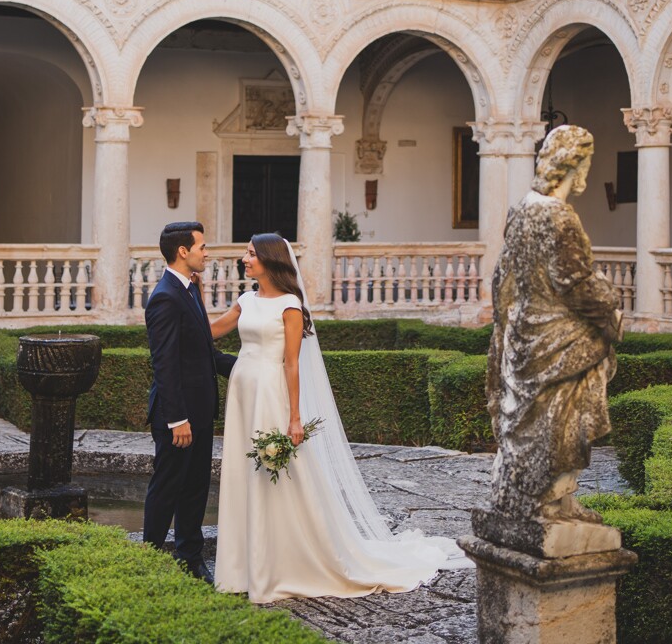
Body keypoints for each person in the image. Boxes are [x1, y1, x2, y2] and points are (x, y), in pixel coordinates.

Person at [211, 232, 468, 603]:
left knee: (281, 474)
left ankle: (285, 562)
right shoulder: (246, 300)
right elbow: (213, 330)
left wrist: (295, 418)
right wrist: (172, 319)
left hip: (271, 393)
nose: (244, 259)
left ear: (269, 260)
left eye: (250, 254)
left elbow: (291, 364)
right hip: (242, 392)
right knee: (244, 471)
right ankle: (241, 567)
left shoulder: (289, 305)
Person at [484, 124, 622, 527]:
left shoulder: (522, 209)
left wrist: (505, 329)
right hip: (559, 339)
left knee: (537, 419)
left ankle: (551, 498)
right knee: (564, 417)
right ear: (574, 165)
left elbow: (502, 278)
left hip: (527, 334)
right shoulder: (559, 217)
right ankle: (550, 499)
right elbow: (576, 283)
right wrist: (610, 309)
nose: (587, 173)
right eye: (587, 164)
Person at [142, 221, 236, 584]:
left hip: (200, 412)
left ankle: (190, 558)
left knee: (196, 485)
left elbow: (204, 353)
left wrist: (249, 368)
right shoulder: (164, 296)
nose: (206, 252)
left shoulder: (191, 289)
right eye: (202, 246)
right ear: (183, 251)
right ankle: (148, 560)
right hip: (176, 416)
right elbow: (164, 363)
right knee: (167, 485)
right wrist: (177, 419)